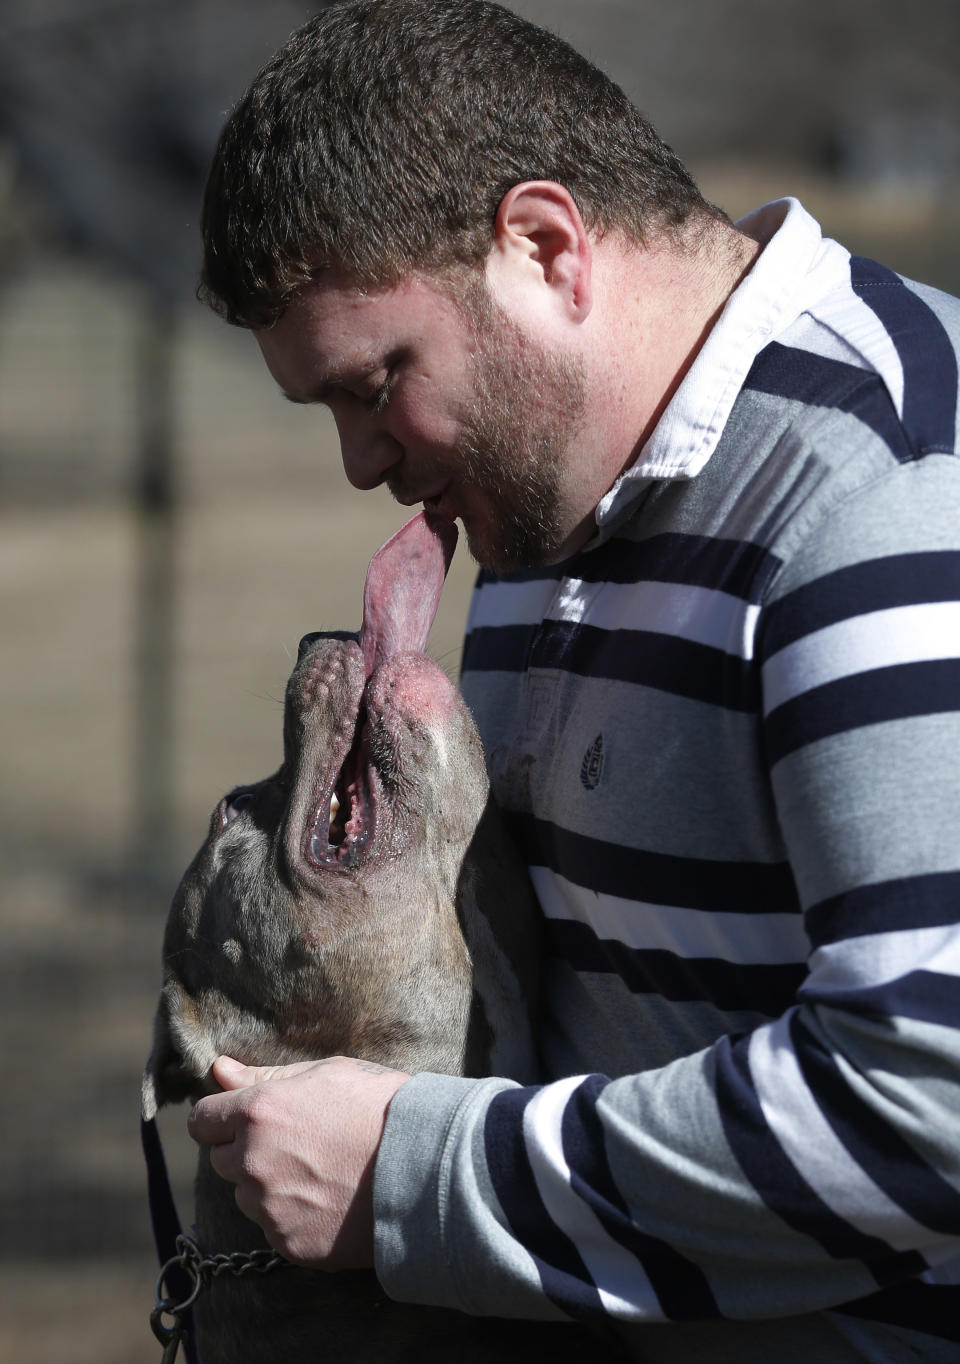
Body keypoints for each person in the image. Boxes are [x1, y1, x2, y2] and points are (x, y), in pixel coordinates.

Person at [185, 2, 960, 1359]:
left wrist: (415, 1178)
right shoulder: (553, 506)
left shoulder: (890, 496)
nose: (364, 461)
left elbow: (928, 1104)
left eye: (379, 384)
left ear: (545, 248)